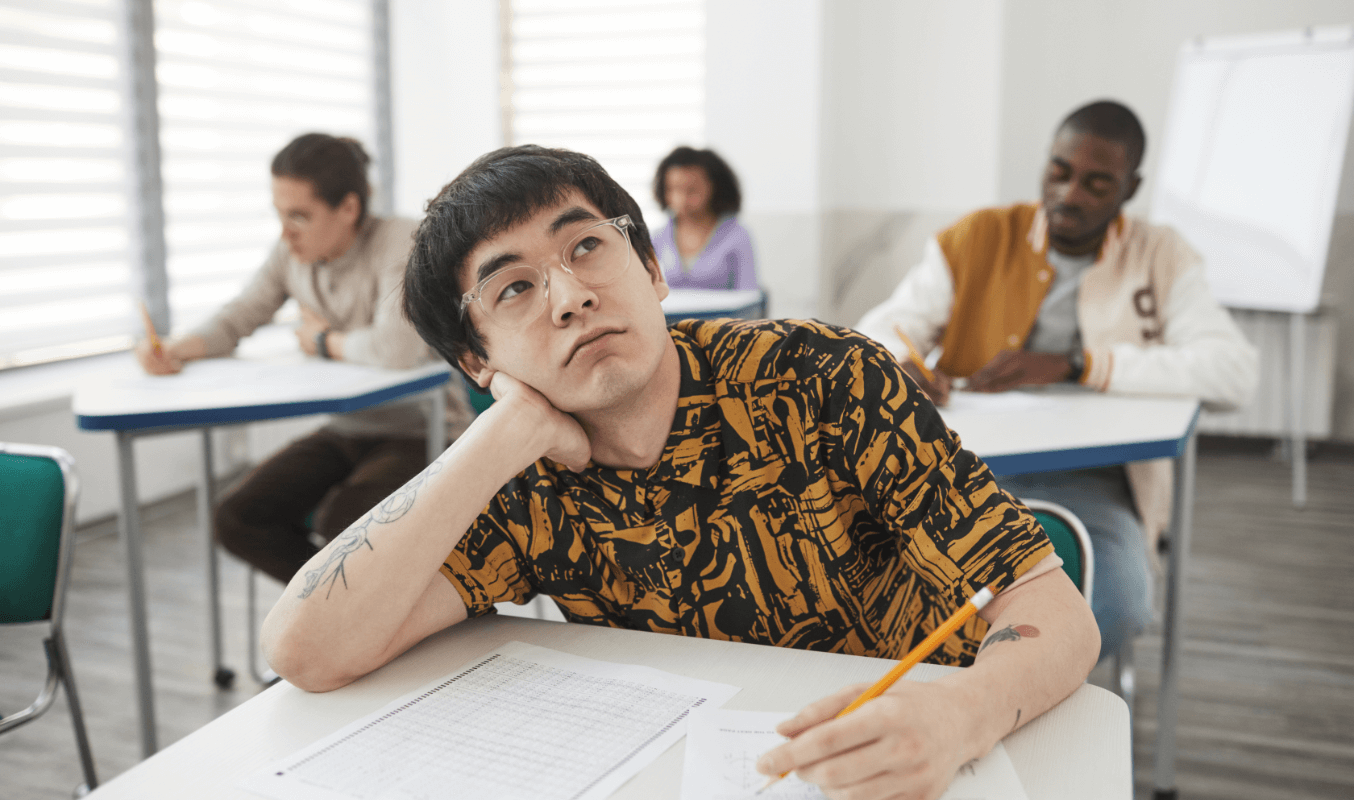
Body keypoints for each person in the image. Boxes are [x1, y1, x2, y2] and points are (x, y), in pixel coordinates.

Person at [261, 144, 1099, 799]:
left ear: (652, 269)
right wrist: (502, 430)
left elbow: (1051, 610)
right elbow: (304, 649)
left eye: (587, 246)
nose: (569, 296)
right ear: (478, 359)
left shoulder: (821, 379)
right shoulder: (522, 480)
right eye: (513, 290)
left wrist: (965, 714)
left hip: (916, 756)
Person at [857, 100, 1259, 663]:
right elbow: (881, 327)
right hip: (966, 465)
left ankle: (1007, 700)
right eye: (1060, 172)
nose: (1070, 194)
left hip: (1093, 479)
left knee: (1113, 601)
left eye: (1097, 183)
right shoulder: (979, 238)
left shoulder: (1160, 255)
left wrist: (1080, 365)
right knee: (886, 591)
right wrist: (903, 361)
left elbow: (1234, 371)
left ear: (1130, 187)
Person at [134, 132, 473, 584]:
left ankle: (351, 610)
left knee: (346, 529)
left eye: (299, 216)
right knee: (237, 518)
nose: (284, 232)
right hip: (348, 427)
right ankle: (337, 609)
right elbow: (240, 316)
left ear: (349, 208)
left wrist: (321, 341)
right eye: (279, 215)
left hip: (424, 429)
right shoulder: (293, 252)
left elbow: (395, 349)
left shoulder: (401, 241)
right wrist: (177, 348)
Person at [650, 145, 758, 290]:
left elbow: (748, 294)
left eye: (692, 190)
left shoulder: (738, 236)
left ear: (714, 188)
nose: (682, 199)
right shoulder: (657, 238)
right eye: (674, 189)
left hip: (724, 313)